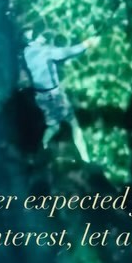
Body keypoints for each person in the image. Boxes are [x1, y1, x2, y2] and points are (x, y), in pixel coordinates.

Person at [22, 30, 100, 163]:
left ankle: (43, 145)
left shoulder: (26, 53)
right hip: (55, 95)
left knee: (54, 126)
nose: (41, 34)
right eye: (36, 33)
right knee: (74, 124)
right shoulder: (46, 51)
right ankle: (84, 157)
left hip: (40, 97)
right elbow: (69, 51)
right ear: (33, 40)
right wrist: (88, 43)